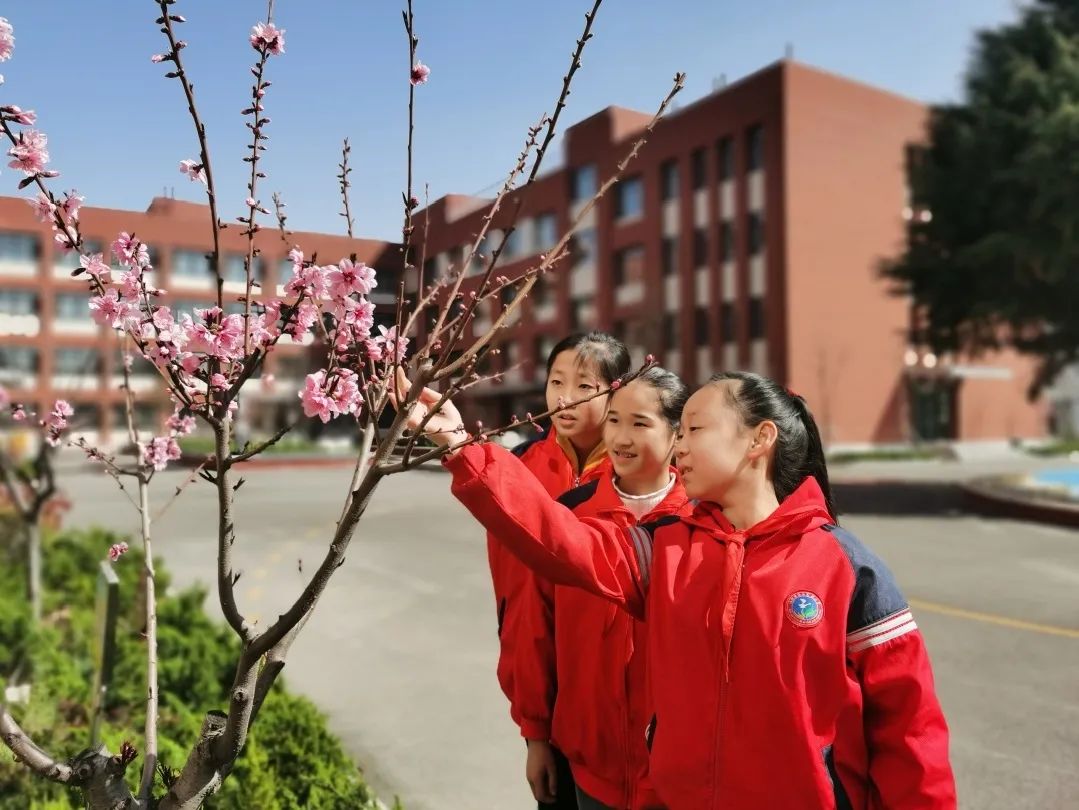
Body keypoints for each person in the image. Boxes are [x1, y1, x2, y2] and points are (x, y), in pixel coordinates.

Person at [398, 370, 957, 810]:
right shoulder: (661, 549)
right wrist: (458, 445)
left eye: (693, 429)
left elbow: (910, 736)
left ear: (760, 438)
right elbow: (559, 538)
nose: (677, 447)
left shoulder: (847, 569)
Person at [516, 367, 691, 810]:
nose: (622, 438)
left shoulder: (703, 519)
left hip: (680, 771)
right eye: (614, 420)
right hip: (590, 761)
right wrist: (536, 735)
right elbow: (536, 627)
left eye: (640, 423)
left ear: (676, 433)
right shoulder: (570, 515)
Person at [488, 332, 630, 808]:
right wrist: (535, 732)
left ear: (617, 390)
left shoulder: (640, 473)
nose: (564, 399)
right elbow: (518, 606)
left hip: (631, 717)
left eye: (584, 386)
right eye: (556, 382)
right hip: (556, 718)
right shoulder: (519, 470)